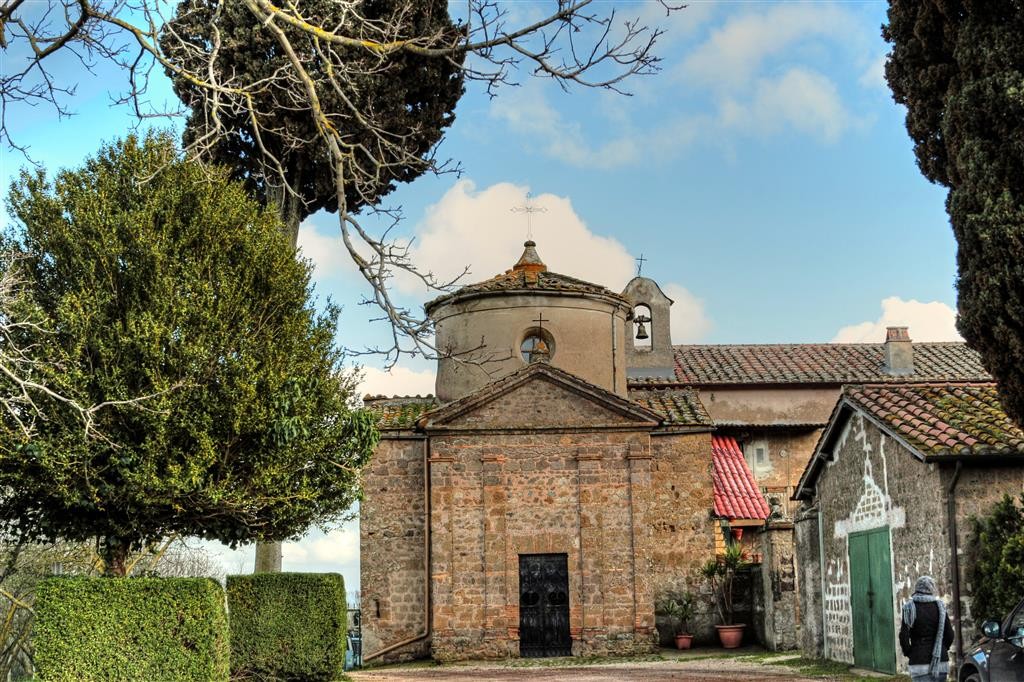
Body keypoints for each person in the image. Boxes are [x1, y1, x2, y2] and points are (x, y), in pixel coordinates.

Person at [900, 576, 955, 682]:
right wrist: (942, 649)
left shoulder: (909, 608)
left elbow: (904, 636)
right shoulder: (940, 607)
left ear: (917, 589)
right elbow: (950, 634)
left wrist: (910, 653)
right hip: (941, 662)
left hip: (919, 662)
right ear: (932, 589)